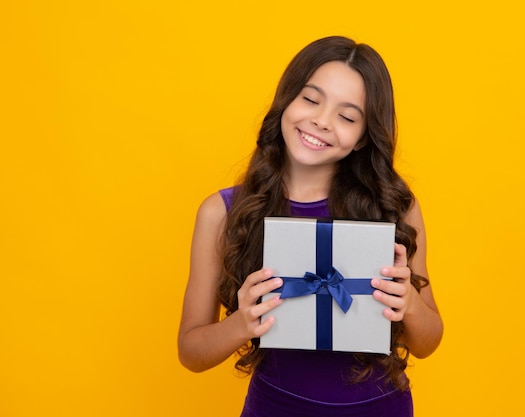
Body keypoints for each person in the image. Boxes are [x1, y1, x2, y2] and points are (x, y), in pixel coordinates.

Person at [178, 36, 443, 417]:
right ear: (286, 99)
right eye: (311, 99)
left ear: (363, 138)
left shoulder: (395, 207)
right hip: (275, 406)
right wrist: (242, 322)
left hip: (381, 408)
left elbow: (428, 342)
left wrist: (411, 303)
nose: (321, 120)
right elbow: (191, 351)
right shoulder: (221, 213)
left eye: (347, 116)